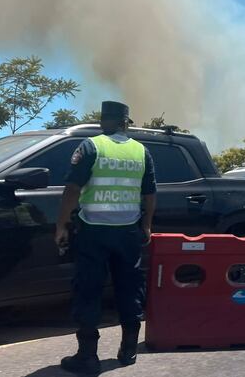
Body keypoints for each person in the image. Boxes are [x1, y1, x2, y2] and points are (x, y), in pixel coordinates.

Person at [55, 101, 157, 374]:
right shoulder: (141, 151)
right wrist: (146, 225)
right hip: (128, 231)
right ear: (126, 122)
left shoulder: (91, 146)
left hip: (93, 230)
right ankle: (128, 350)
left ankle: (87, 356)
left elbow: (72, 188)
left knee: (88, 289)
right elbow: (150, 193)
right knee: (129, 287)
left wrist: (62, 225)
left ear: (103, 121)